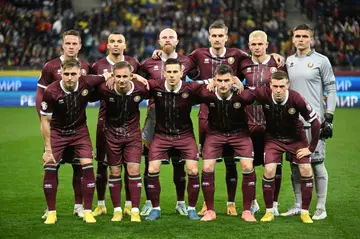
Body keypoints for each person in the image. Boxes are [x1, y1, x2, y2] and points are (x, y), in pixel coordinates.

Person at [187, 20, 283, 216]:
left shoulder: (238, 55)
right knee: (210, 162)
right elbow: (181, 65)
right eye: (213, 35)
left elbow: (257, 59)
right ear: (209, 37)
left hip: (236, 116)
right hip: (207, 115)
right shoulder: (198, 54)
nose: (217, 39)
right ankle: (207, 204)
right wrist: (159, 55)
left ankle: (233, 203)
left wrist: (273, 56)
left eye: (220, 35)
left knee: (239, 161)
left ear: (226, 36)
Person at [241, 70, 321, 224]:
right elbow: (245, 96)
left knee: (306, 170)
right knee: (269, 169)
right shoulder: (264, 94)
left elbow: (315, 122)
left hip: (296, 139)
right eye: (275, 86)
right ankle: (270, 211)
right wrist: (237, 86)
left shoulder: (296, 98)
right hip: (273, 139)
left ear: (287, 86)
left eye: (282, 86)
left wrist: (311, 148)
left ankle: (305, 212)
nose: (278, 90)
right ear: (270, 85)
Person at [40, 58, 110, 224]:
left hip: (80, 132)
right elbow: (45, 121)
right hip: (58, 132)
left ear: (80, 74)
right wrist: (48, 149)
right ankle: (51, 212)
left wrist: (137, 78)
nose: (69, 77)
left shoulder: (88, 82)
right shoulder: (51, 91)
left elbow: (111, 75)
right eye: (66, 74)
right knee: (50, 165)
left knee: (87, 165)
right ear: (61, 74)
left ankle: (86, 211)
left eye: (73, 74)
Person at [138, 28, 198, 217]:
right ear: (158, 41)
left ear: (177, 41)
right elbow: (140, 83)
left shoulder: (188, 61)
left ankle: (182, 203)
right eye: (164, 37)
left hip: (179, 116)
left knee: (179, 163)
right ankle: (150, 202)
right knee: (150, 162)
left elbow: (199, 79)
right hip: (156, 118)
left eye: (171, 37)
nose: (168, 39)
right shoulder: (149, 62)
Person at [281, 24, 337, 220]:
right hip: (292, 124)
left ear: (311, 40)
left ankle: (321, 207)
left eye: (305, 36)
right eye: (297, 36)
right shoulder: (288, 62)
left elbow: (331, 89)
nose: (301, 39)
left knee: (317, 164)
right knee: (295, 165)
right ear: (293, 39)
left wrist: (328, 117)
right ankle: (298, 204)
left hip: (315, 122)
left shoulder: (321, 61)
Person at [35, 29, 90, 219]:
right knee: (52, 166)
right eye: (68, 43)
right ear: (63, 45)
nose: (71, 46)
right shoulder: (50, 67)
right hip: (56, 129)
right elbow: (40, 96)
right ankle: (50, 208)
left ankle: (78, 206)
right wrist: (42, 119)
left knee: (79, 168)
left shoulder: (85, 66)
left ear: (80, 45)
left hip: (77, 128)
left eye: (75, 43)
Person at [144, 58, 204, 221]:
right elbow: (138, 85)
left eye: (175, 72)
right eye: (168, 72)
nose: (172, 75)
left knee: (193, 170)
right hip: (161, 135)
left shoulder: (190, 88)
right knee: (152, 169)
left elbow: (211, 84)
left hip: (184, 135)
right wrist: (136, 78)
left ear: (181, 73)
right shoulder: (155, 85)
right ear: (164, 73)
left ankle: (191, 209)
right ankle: (155, 209)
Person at [197, 64, 257, 222]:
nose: (223, 84)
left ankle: (246, 211)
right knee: (207, 166)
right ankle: (210, 211)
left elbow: (253, 96)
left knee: (247, 166)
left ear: (233, 81)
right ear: (215, 80)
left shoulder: (241, 95)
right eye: (220, 80)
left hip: (240, 134)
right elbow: (190, 89)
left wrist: (240, 85)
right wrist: (207, 84)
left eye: (227, 81)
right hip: (215, 134)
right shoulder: (207, 94)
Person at [93, 61, 149, 222]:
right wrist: (104, 78)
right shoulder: (105, 89)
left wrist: (139, 77)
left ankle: (135, 210)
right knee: (115, 172)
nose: (122, 80)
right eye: (118, 76)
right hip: (112, 136)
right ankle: (117, 210)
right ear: (113, 76)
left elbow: (156, 88)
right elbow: (87, 87)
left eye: (125, 76)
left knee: (133, 170)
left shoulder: (141, 89)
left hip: (133, 136)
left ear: (131, 76)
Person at [91, 32, 140, 218]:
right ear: (108, 45)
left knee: (130, 165)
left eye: (120, 41)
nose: (116, 44)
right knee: (103, 164)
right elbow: (92, 92)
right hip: (105, 120)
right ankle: (102, 204)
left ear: (125, 45)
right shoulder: (98, 65)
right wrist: (104, 79)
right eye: (112, 41)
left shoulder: (134, 63)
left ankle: (128, 204)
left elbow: (142, 83)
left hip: (128, 121)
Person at [239, 30, 286, 216]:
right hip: (248, 123)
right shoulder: (243, 64)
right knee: (249, 165)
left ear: (267, 45)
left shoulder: (278, 63)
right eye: (253, 44)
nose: (257, 47)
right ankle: (253, 202)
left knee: (275, 165)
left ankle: (274, 203)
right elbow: (228, 77)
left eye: (260, 44)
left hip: (272, 125)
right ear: (249, 46)